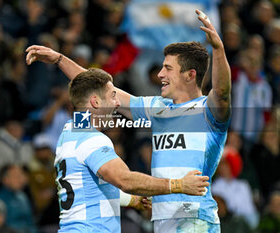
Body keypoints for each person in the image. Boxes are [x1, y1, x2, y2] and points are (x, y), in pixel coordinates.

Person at [26, 9, 230, 232]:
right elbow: (98, 90)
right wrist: (59, 59)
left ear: (190, 75)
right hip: (163, 219)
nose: (160, 74)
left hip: (195, 217)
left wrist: (218, 50)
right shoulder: (156, 108)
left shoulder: (206, 111)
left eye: (168, 68)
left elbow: (221, 92)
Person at [48, 68, 208, 232]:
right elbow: (124, 180)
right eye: (112, 96)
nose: (117, 103)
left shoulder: (69, 132)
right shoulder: (92, 139)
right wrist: (179, 185)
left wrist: (133, 200)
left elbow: (89, 190)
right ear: (96, 102)